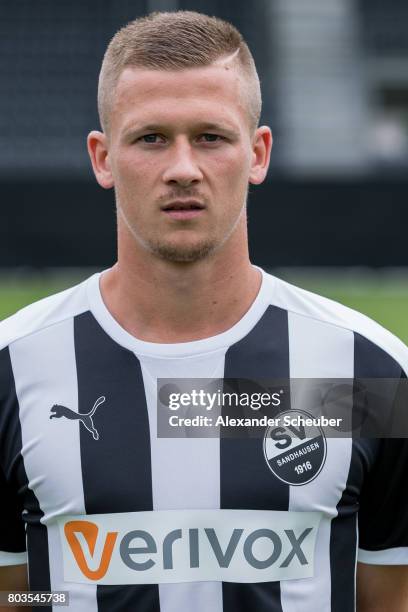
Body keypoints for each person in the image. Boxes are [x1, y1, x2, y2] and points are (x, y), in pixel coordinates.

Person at [0, 10, 407, 612]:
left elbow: (385, 595)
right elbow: (17, 595)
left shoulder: (365, 372)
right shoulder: (13, 368)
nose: (183, 169)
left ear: (259, 152)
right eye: (151, 138)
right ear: (104, 157)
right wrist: (74, 595)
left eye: (211, 137)